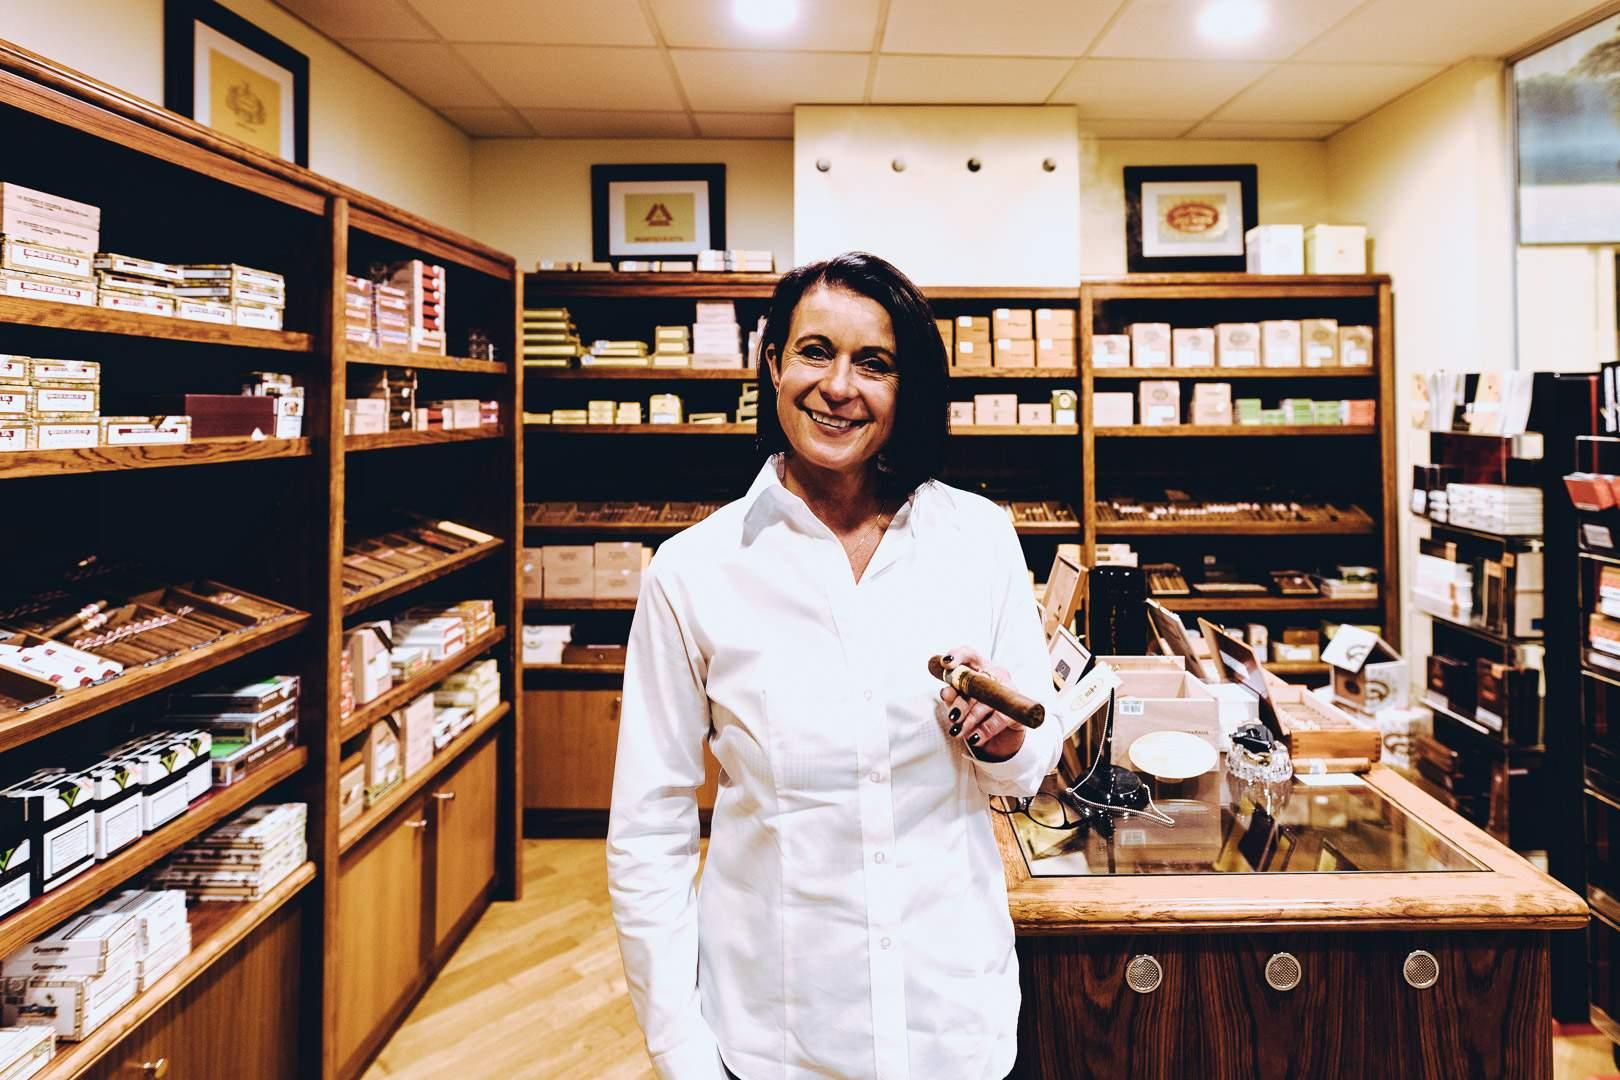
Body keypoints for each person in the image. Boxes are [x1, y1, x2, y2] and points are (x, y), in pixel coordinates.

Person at [607, 251, 1063, 1080]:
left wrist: (1004, 739)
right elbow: (649, 829)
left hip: (953, 1023)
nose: (839, 386)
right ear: (773, 366)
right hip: (776, 1037)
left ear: (905, 387)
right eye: (815, 352)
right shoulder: (693, 570)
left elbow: (1031, 765)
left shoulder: (979, 538)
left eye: (874, 363)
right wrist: (679, 1048)